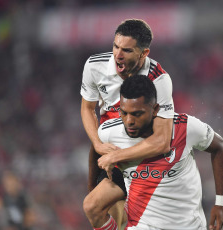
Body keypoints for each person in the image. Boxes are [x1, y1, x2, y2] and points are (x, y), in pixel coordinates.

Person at [96, 75, 223, 230]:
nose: (129, 121)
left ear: (155, 110)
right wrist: (96, 184)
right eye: (124, 113)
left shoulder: (184, 127)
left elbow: (219, 147)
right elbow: (97, 148)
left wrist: (221, 203)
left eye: (137, 113)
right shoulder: (110, 132)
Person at [80, 19, 174, 229]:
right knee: (95, 208)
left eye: (127, 50)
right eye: (115, 46)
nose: (118, 55)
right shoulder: (95, 66)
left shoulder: (159, 80)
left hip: (144, 158)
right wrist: (97, 144)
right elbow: (87, 108)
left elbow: (162, 141)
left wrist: (116, 156)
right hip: (109, 152)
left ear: (144, 53)